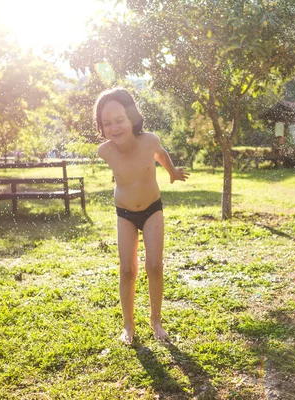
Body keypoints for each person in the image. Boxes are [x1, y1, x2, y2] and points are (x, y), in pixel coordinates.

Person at [94, 87, 189, 344]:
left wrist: (171, 172)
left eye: (120, 120)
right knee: (127, 270)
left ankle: (156, 322)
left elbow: (161, 154)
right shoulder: (105, 151)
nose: (114, 127)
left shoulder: (149, 140)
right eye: (107, 123)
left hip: (151, 210)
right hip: (124, 213)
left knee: (154, 266)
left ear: (132, 118)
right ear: (101, 127)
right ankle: (128, 326)